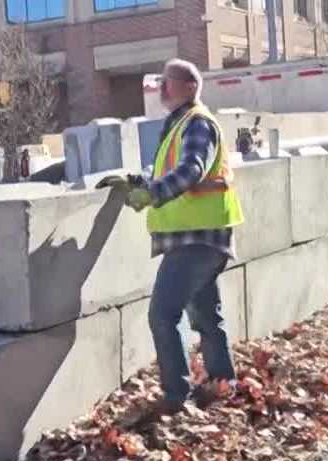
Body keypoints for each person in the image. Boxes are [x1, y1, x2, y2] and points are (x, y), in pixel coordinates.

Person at [97, 58, 244, 417]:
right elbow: (169, 170)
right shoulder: (180, 123)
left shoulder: (196, 123)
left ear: (190, 87)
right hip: (201, 235)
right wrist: (137, 181)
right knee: (206, 316)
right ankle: (223, 384)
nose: (160, 87)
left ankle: (178, 396)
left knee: (163, 314)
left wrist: (152, 193)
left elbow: (192, 170)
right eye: (160, 81)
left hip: (196, 238)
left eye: (168, 81)